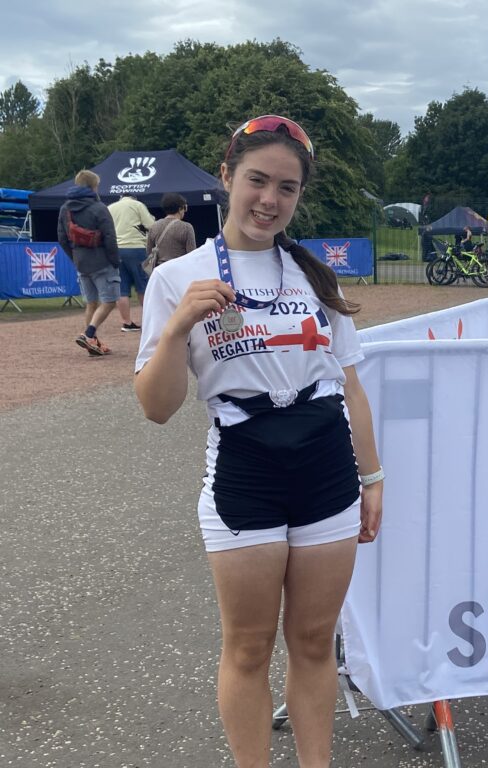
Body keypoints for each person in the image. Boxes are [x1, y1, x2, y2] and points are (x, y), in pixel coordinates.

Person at [133, 115, 383, 768]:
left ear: (299, 197)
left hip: (327, 467)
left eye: (287, 188)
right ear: (226, 178)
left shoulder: (313, 275)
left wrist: (374, 479)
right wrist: (177, 326)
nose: (269, 199)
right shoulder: (176, 279)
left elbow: (349, 386)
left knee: (313, 640)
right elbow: (157, 408)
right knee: (247, 647)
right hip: (244, 467)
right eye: (257, 180)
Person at [57, 170, 120, 356]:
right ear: (93, 186)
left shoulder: (64, 209)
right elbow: (109, 236)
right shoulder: (99, 207)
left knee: (91, 303)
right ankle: (89, 333)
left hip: (80, 262)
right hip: (101, 261)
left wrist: (74, 256)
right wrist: (115, 260)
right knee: (109, 301)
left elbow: (62, 238)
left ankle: (92, 343)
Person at [108, 193, 156, 332]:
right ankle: (149, 321)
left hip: (116, 249)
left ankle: (126, 322)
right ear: (134, 197)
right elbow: (151, 225)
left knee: (122, 288)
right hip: (136, 248)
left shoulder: (111, 207)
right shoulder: (138, 205)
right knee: (143, 285)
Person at [146, 192, 197, 267]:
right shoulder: (186, 227)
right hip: (179, 268)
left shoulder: (154, 226)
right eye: (185, 208)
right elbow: (192, 254)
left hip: (160, 269)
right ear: (180, 209)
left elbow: (149, 251)